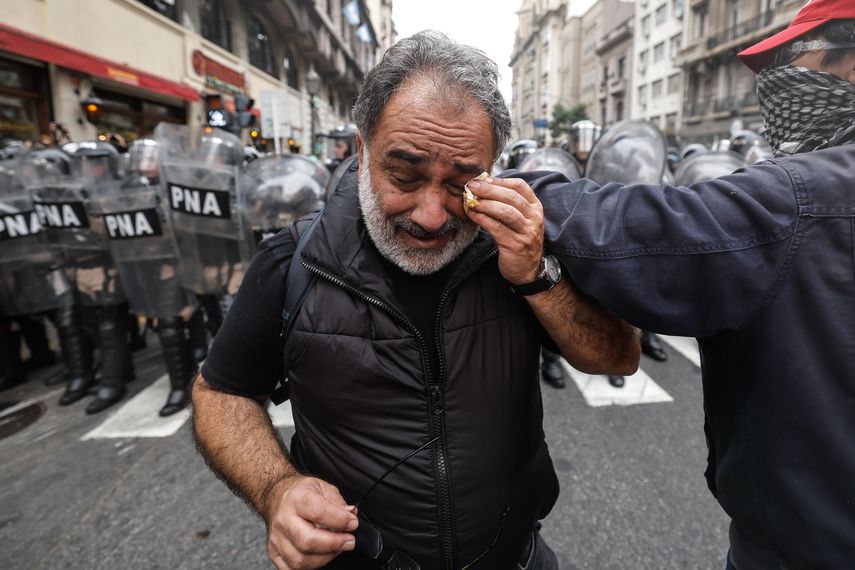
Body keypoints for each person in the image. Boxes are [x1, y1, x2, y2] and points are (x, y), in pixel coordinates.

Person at [192, 31, 639, 570]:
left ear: (491, 170)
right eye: (404, 174)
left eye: (462, 184)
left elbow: (617, 356)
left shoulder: (520, 245)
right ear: (361, 153)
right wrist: (277, 489)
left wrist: (535, 277)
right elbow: (221, 395)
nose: (431, 214)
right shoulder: (292, 263)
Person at [475, 2, 855, 567]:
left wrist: (489, 186)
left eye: (796, 61)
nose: (775, 86)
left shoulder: (803, 197)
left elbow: (646, 231)